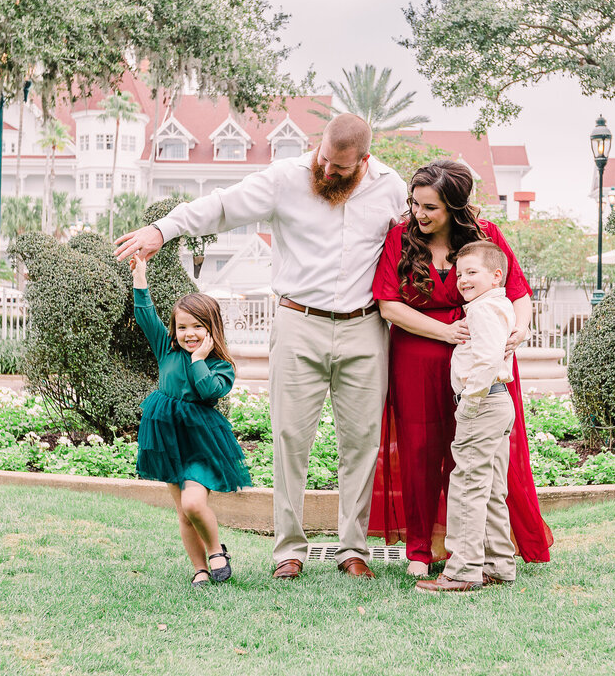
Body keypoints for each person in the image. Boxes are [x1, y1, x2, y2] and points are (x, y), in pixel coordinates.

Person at [114, 114, 406, 580]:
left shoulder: (391, 188)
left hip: (364, 327)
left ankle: (353, 549)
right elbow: (222, 206)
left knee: (362, 442)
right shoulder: (286, 178)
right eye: (324, 160)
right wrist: (162, 230)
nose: (327, 172)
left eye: (340, 169)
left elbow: (415, 241)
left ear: (364, 162)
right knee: (291, 438)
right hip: (298, 322)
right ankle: (289, 551)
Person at [368, 159, 552, 577]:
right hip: (417, 358)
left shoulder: (487, 237)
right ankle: (419, 548)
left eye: (429, 207)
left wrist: (519, 329)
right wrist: (445, 332)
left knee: (476, 453)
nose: (419, 214)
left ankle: (476, 549)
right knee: (418, 452)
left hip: (482, 362)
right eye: (415, 204)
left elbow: (517, 291)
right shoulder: (400, 239)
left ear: (453, 205)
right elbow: (388, 304)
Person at [129, 253, 251, 587]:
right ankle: (199, 568)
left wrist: (198, 359)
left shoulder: (220, 366)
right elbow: (145, 316)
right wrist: (140, 277)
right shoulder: (166, 349)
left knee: (194, 501)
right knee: (183, 511)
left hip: (200, 443)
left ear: (212, 329)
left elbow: (209, 391)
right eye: (182, 327)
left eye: (198, 327)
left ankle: (216, 551)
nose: (189, 334)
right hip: (168, 439)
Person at [416, 241, 518, 593]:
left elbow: (488, 360)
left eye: (472, 272)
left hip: (483, 402)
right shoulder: (499, 306)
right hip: (498, 402)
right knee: (490, 487)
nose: (463, 280)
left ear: (496, 275)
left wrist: (469, 403)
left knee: (467, 485)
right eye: (460, 274)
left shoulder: (481, 311)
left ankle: (463, 569)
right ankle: (498, 563)